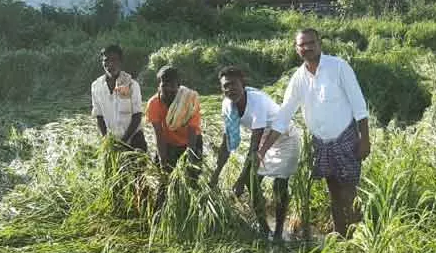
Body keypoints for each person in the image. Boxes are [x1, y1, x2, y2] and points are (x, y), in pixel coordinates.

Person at [257, 28, 371, 237]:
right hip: (321, 143)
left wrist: (365, 139)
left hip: (346, 138)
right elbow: (283, 117)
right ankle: (341, 237)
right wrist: (262, 150)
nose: (307, 48)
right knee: (334, 193)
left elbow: (359, 105)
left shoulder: (338, 67)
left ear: (320, 43)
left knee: (349, 193)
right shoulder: (298, 78)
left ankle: (359, 239)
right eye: (302, 45)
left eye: (311, 43)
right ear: (296, 48)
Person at [210, 66, 300, 240]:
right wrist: (215, 174)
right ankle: (265, 230)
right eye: (225, 86)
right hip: (263, 139)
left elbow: (254, 147)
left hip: (283, 137)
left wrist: (240, 179)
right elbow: (226, 141)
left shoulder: (256, 101)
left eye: (233, 84)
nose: (230, 89)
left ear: (243, 83)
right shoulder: (228, 106)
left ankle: (279, 233)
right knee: (253, 185)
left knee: (279, 185)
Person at [145, 65, 203, 206]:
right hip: (168, 143)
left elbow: (192, 129)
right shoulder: (153, 104)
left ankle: (192, 208)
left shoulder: (189, 99)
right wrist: (163, 160)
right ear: (159, 85)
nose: (169, 89)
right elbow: (159, 135)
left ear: (178, 85)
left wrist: (189, 157)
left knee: (191, 179)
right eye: (164, 85)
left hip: (191, 141)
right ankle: (161, 211)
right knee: (164, 180)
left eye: (173, 85)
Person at [91, 44, 147, 151]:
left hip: (134, 141)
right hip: (112, 142)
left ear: (120, 62)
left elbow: (137, 116)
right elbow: (99, 116)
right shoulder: (96, 86)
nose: (110, 64)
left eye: (114, 60)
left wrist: (123, 143)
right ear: (102, 62)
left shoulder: (131, 85)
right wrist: (106, 139)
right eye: (106, 60)